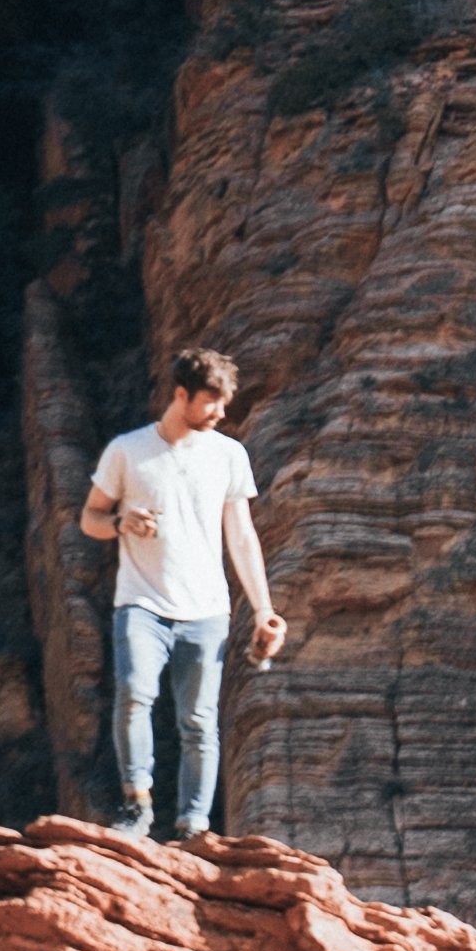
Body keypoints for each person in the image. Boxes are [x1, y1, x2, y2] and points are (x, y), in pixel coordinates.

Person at [80, 345, 288, 840]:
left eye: (224, 403)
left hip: (207, 609)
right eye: (211, 402)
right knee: (134, 695)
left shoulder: (228, 455)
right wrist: (120, 522)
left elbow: (241, 535)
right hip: (141, 603)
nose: (220, 412)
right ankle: (137, 804)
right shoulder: (128, 452)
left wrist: (263, 610)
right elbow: (88, 519)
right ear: (181, 395)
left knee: (198, 722)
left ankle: (194, 825)